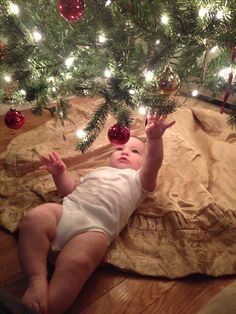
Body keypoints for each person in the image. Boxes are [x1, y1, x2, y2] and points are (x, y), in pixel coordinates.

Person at [18, 113, 175, 314]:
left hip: (94, 229)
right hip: (68, 210)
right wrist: (59, 174)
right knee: (34, 218)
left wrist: (154, 139)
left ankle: (45, 307)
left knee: (78, 262)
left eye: (135, 151)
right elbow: (70, 191)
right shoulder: (96, 172)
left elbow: (154, 162)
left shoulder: (139, 180)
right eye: (120, 148)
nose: (125, 152)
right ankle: (36, 280)